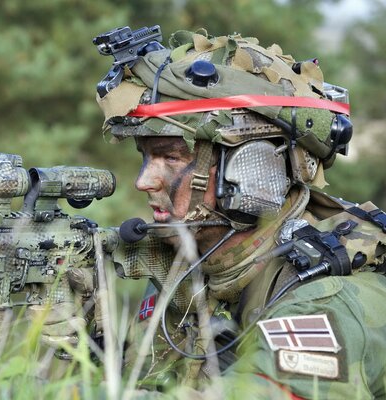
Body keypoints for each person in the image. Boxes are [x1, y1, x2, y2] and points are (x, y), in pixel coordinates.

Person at [94, 26, 386, 398]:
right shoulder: (197, 272)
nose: (144, 182)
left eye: (170, 157)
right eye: (146, 157)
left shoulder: (324, 305)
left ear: (251, 167)